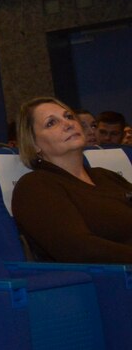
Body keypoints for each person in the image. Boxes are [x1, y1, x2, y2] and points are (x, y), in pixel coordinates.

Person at [12, 97, 132, 263]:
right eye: (51, 123)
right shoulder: (35, 186)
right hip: (108, 281)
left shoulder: (105, 176)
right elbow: (79, 248)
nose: (68, 124)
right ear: (33, 144)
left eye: (68, 116)